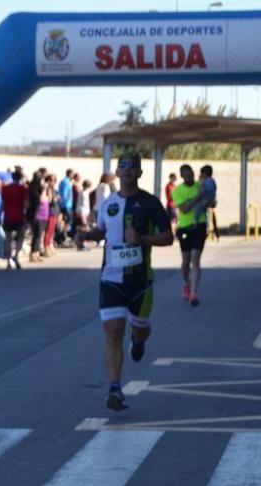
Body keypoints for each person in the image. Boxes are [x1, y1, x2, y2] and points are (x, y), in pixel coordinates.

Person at [79, 154, 173, 412]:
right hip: (111, 278)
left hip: (140, 279)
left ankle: (140, 339)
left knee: (139, 328)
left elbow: (167, 237)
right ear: (117, 173)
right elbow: (101, 232)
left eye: (133, 167)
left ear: (140, 173)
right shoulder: (108, 203)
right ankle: (114, 388)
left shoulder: (151, 203)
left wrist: (142, 239)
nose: (128, 171)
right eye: (123, 167)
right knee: (113, 331)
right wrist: (86, 235)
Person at [173, 164, 206, 306]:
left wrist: (207, 201)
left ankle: (194, 293)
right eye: (186, 175)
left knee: (195, 259)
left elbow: (209, 202)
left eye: (191, 174)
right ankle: (186, 283)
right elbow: (184, 209)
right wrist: (198, 198)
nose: (189, 177)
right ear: (182, 176)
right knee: (186, 261)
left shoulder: (200, 186)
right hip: (185, 227)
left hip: (199, 225)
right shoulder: (177, 190)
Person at [1, 170, 28, 269]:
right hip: (19, 216)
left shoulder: (5, 188)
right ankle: (16, 255)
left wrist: (0, 214)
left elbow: (3, 203)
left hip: (8, 216)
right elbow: (25, 204)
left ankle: (8, 261)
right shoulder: (23, 189)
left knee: (8, 239)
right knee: (20, 237)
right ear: (20, 178)